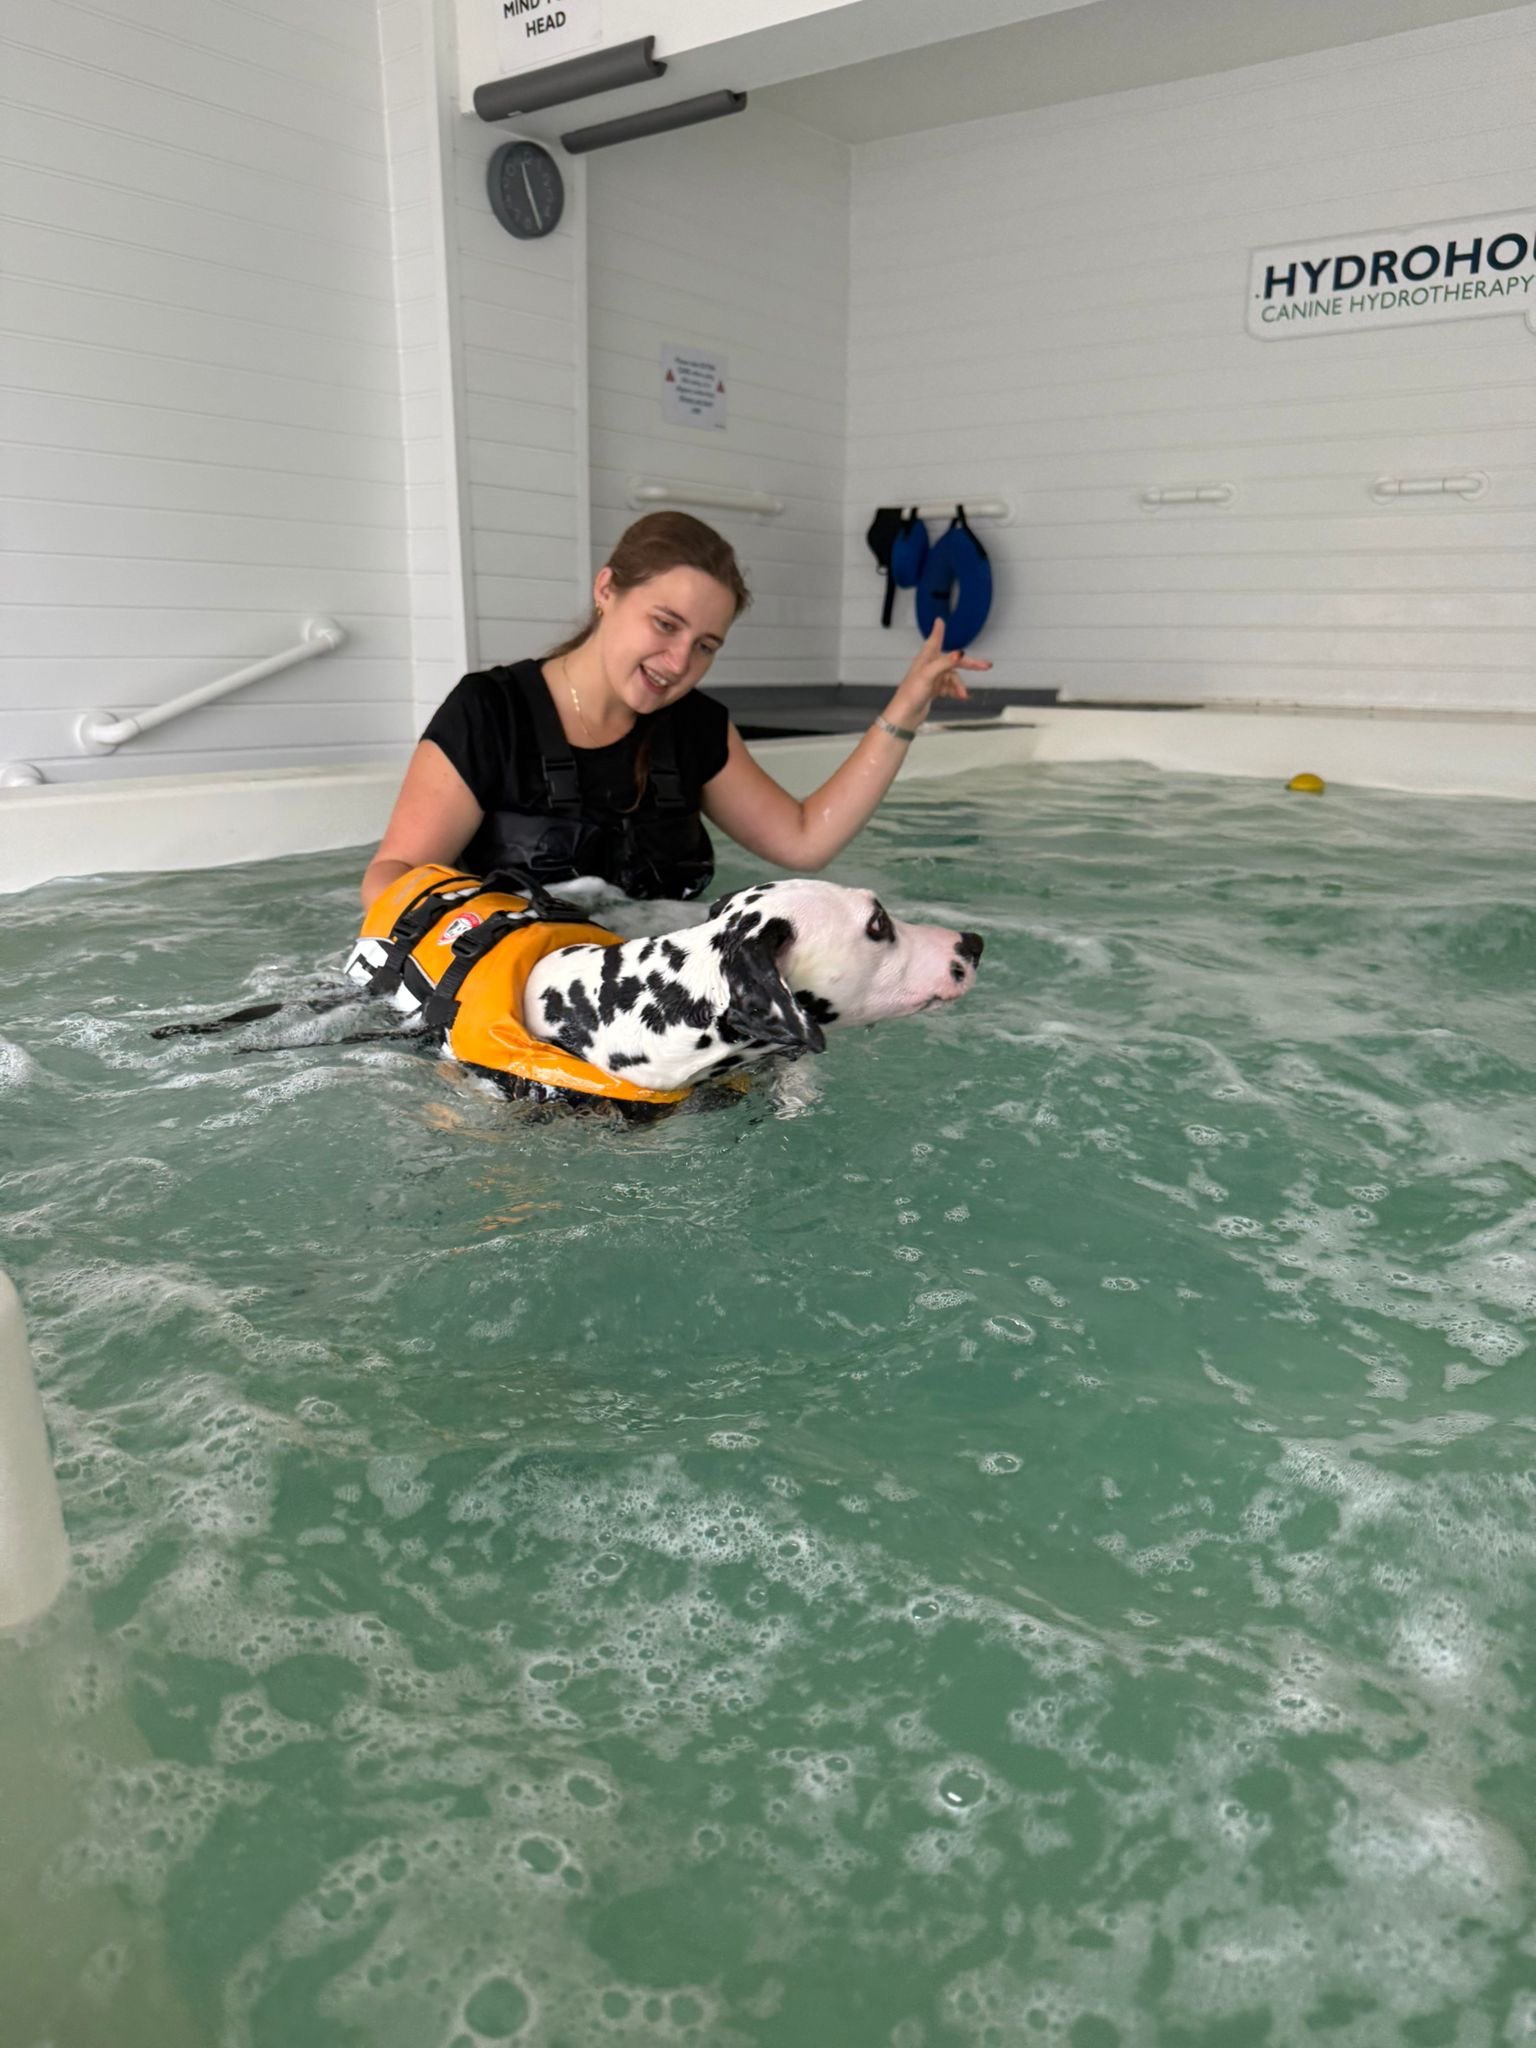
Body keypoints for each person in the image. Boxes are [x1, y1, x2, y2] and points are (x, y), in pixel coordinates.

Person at [360, 511, 990, 910]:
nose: (679, 660)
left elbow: (804, 841)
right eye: (665, 623)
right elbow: (391, 875)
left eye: (705, 646)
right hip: (509, 993)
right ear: (607, 591)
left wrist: (905, 707)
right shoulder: (488, 710)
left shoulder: (697, 727)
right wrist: (501, 935)